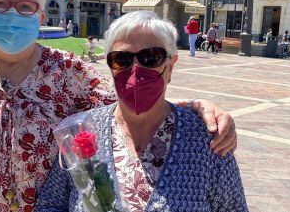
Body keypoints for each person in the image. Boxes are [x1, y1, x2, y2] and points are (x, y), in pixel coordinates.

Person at [0, 0, 237, 212]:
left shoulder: (69, 73)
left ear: (39, 16)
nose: (12, 14)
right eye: (0, 4)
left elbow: (132, 101)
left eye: (25, 7)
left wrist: (196, 109)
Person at [35, 11, 247, 212]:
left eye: (151, 57)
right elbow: (50, 204)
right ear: (110, 66)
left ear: (171, 67)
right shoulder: (82, 132)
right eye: (121, 59)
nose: (135, 70)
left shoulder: (207, 140)